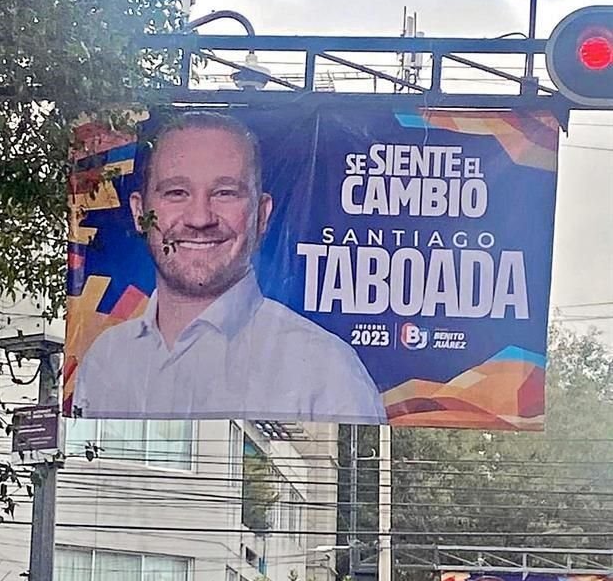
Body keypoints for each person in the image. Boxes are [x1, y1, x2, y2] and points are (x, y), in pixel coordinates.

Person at [73, 112, 385, 423]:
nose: (199, 218)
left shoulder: (327, 372)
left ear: (262, 215)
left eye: (225, 193)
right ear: (140, 212)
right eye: (176, 193)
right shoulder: (105, 359)